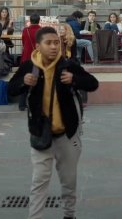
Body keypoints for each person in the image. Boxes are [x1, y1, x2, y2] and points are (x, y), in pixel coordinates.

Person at [8, 26, 99, 219]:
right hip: (41, 134)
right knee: (39, 182)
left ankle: (69, 214)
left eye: (56, 42)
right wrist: (23, 81)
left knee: (69, 181)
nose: (53, 47)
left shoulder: (67, 64)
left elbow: (92, 83)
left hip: (67, 133)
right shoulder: (28, 66)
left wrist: (74, 79)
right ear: (38, 46)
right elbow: (11, 89)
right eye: (48, 43)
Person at [18, 14, 42, 111]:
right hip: (38, 59)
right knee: (38, 81)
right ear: (39, 20)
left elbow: (23, 42)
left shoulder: (25, 30)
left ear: (30, 20)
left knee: (25, 80)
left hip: (26, 58)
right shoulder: (42, 31)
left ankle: (21, 104)